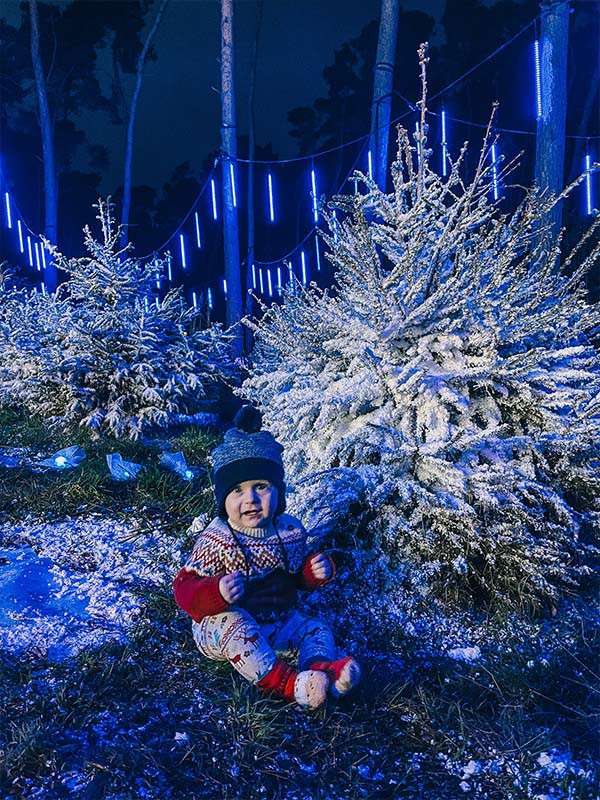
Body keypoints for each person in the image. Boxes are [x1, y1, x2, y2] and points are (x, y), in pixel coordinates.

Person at [172, 405, 361, 709]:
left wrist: (312, 574)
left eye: (261, 487)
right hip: (222, 627)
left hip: (277, 621)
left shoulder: (289, 531)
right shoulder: (217, 539)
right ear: (223, 499)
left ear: (278, 493)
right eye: (237, 491)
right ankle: (288, 685)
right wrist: (215, 591)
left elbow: (295, 577)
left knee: (315, 627)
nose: (251, 499)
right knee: (237, 625)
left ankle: (320, 670)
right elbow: (183, 591)